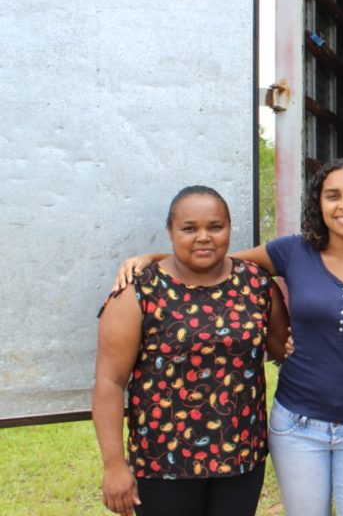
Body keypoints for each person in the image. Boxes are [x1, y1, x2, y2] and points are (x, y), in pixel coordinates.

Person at [113, 159, 343, 516]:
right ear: (319, 203)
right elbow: (216, 261)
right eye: (333, 195)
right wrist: (153, 258)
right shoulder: (293, 252)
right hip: (298, 426)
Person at [93, 186, 290, 516]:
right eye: (189, 228)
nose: (203, 237)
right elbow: (109, 383)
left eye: (215, 227)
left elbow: (282, 348)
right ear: (170, 231)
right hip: (163, 463)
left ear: (229, 228)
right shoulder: (139, 292)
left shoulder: (256, 284)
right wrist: (114, 465)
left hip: (241, 458)